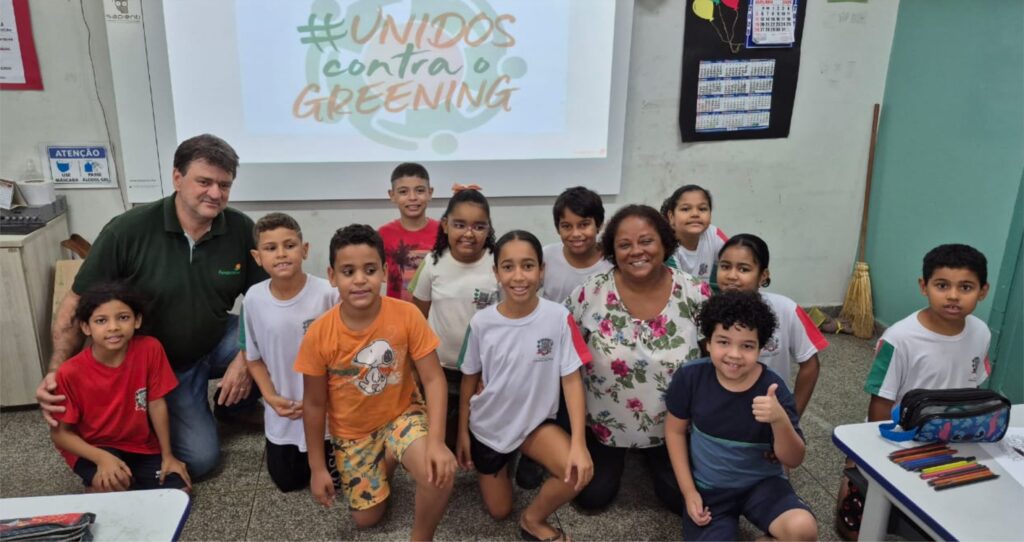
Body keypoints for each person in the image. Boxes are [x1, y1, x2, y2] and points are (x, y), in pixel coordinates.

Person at [39, 133, 267, 479]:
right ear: (177, 178)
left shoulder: (239, 228)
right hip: (159, 363)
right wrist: (56, 371)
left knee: (285, 337)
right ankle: (159, 412)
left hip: (216, 336)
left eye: (225, 185)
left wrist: (245, 357)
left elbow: (264, 300)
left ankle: (235, 407)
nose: (216, 194)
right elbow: (76, 302)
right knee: (202, 461)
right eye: (204, 182)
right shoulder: (128, 230)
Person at [295, 224, 457, 541]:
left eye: (369, 270)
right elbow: (314, 404)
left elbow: (434, 379)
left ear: (383, 272)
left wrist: (436, 442)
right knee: (366, 519)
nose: (359, 280)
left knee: (438, 473)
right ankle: (390, 456)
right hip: (352, 433)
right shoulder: (319, 334)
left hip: (402, 414)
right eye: (348, 271)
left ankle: (421, 537)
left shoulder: (407, 315)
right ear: (332, 276)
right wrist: (317, 468)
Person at [836, 243, 991, 539]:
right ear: (924, 286)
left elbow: (975, 385)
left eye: (966, 287)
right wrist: (868, 453)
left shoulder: (981, 332)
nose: (954, 296)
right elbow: (880, 402)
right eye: (942, 285)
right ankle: (850, 486)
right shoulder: (900, 338)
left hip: (952, 436)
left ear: (983, 291)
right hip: (902, 437)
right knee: (857, 519)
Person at [565, 204, 708, 513]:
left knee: (680, 501)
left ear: (664, 242)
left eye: (646, 241)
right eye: (624, 244)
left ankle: (654, 455)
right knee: (591, 499)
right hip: (606, 426)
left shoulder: (696, 294)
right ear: (612, 251)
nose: (636, 251)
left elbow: (719, 358)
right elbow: (562, 355)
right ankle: (620, 454)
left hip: (674, 427)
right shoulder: (588, 294)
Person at [457, 230, 593, 542]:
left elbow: (571, 380)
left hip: (535, 424)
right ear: (496, 273)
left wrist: (579, 444)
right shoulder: (481, 323)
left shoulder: (558, 317)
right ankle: (503, 463)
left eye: (528, 266)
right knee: (499, 510)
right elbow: (468, 378)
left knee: (577, 473)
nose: (519, 276)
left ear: (542, 270)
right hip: (490, 427)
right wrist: (463, 431)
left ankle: (532, 520)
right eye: (508, 267)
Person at [665, 291, 817, 541]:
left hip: (763, 485)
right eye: (723, 342)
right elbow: (674, 430)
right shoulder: (690, 377)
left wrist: (779, 420)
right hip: (710, 490)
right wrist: (689, 491)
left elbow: (794, 458)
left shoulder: (774, 389)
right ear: (708, 343)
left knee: (803, 529)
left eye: (747, 346)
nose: (734, 354)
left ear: (761, 348)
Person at [50, 282, 191, 493]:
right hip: (93, 447)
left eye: (123, 317)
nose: (113, 327)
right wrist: (102, 458)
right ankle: (96, 489)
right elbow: (60, 434)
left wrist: (168, 455)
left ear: (137, 320)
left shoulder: (150, 348)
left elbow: (156, 403)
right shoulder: (69, 372)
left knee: (178, 489)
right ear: (86, 327)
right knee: (116, 485)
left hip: (139, 445)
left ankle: (121, 484)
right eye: (101, 320)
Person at [241, 212, 341, 492]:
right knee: (288, 482)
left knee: (337, 483)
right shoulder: (253, 299)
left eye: (290, 245)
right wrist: (270, 397)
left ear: (305, 249)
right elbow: (254, 358)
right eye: (271, 248)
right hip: (284, 416)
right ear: (257, 256)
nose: (281, 254)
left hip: (328, 417)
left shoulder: (328, 294)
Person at [716, 234, 827, 417]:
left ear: (763, 275)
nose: (731, 276)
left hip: (770, 414)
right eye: (725, 266)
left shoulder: (786, 309)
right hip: (721, 412)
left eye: (743, 269)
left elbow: (810, 365)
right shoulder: (706, 310)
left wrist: (792, 415)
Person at [541, 186, 613, 304]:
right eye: (566, 226)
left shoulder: (611, 262)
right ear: (558, 228)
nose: (575, 234)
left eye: (584, 225)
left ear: (599, 225)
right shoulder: (546, 256)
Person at [379, 162, 439, 302]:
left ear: (430, 193)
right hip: (396, 315)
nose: (412, 197)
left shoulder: (445, 233)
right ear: (392, 195)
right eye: (403, 192)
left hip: (435, 315)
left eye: (419, 190)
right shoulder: (382, 235)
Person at [661, 184, 728, 285]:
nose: (695, 214)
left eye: (702, 209)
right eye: (685, 209)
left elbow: (736, 259)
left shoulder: (713, 234)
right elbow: (679, 289)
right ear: (671, 217)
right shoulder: (666, 246)